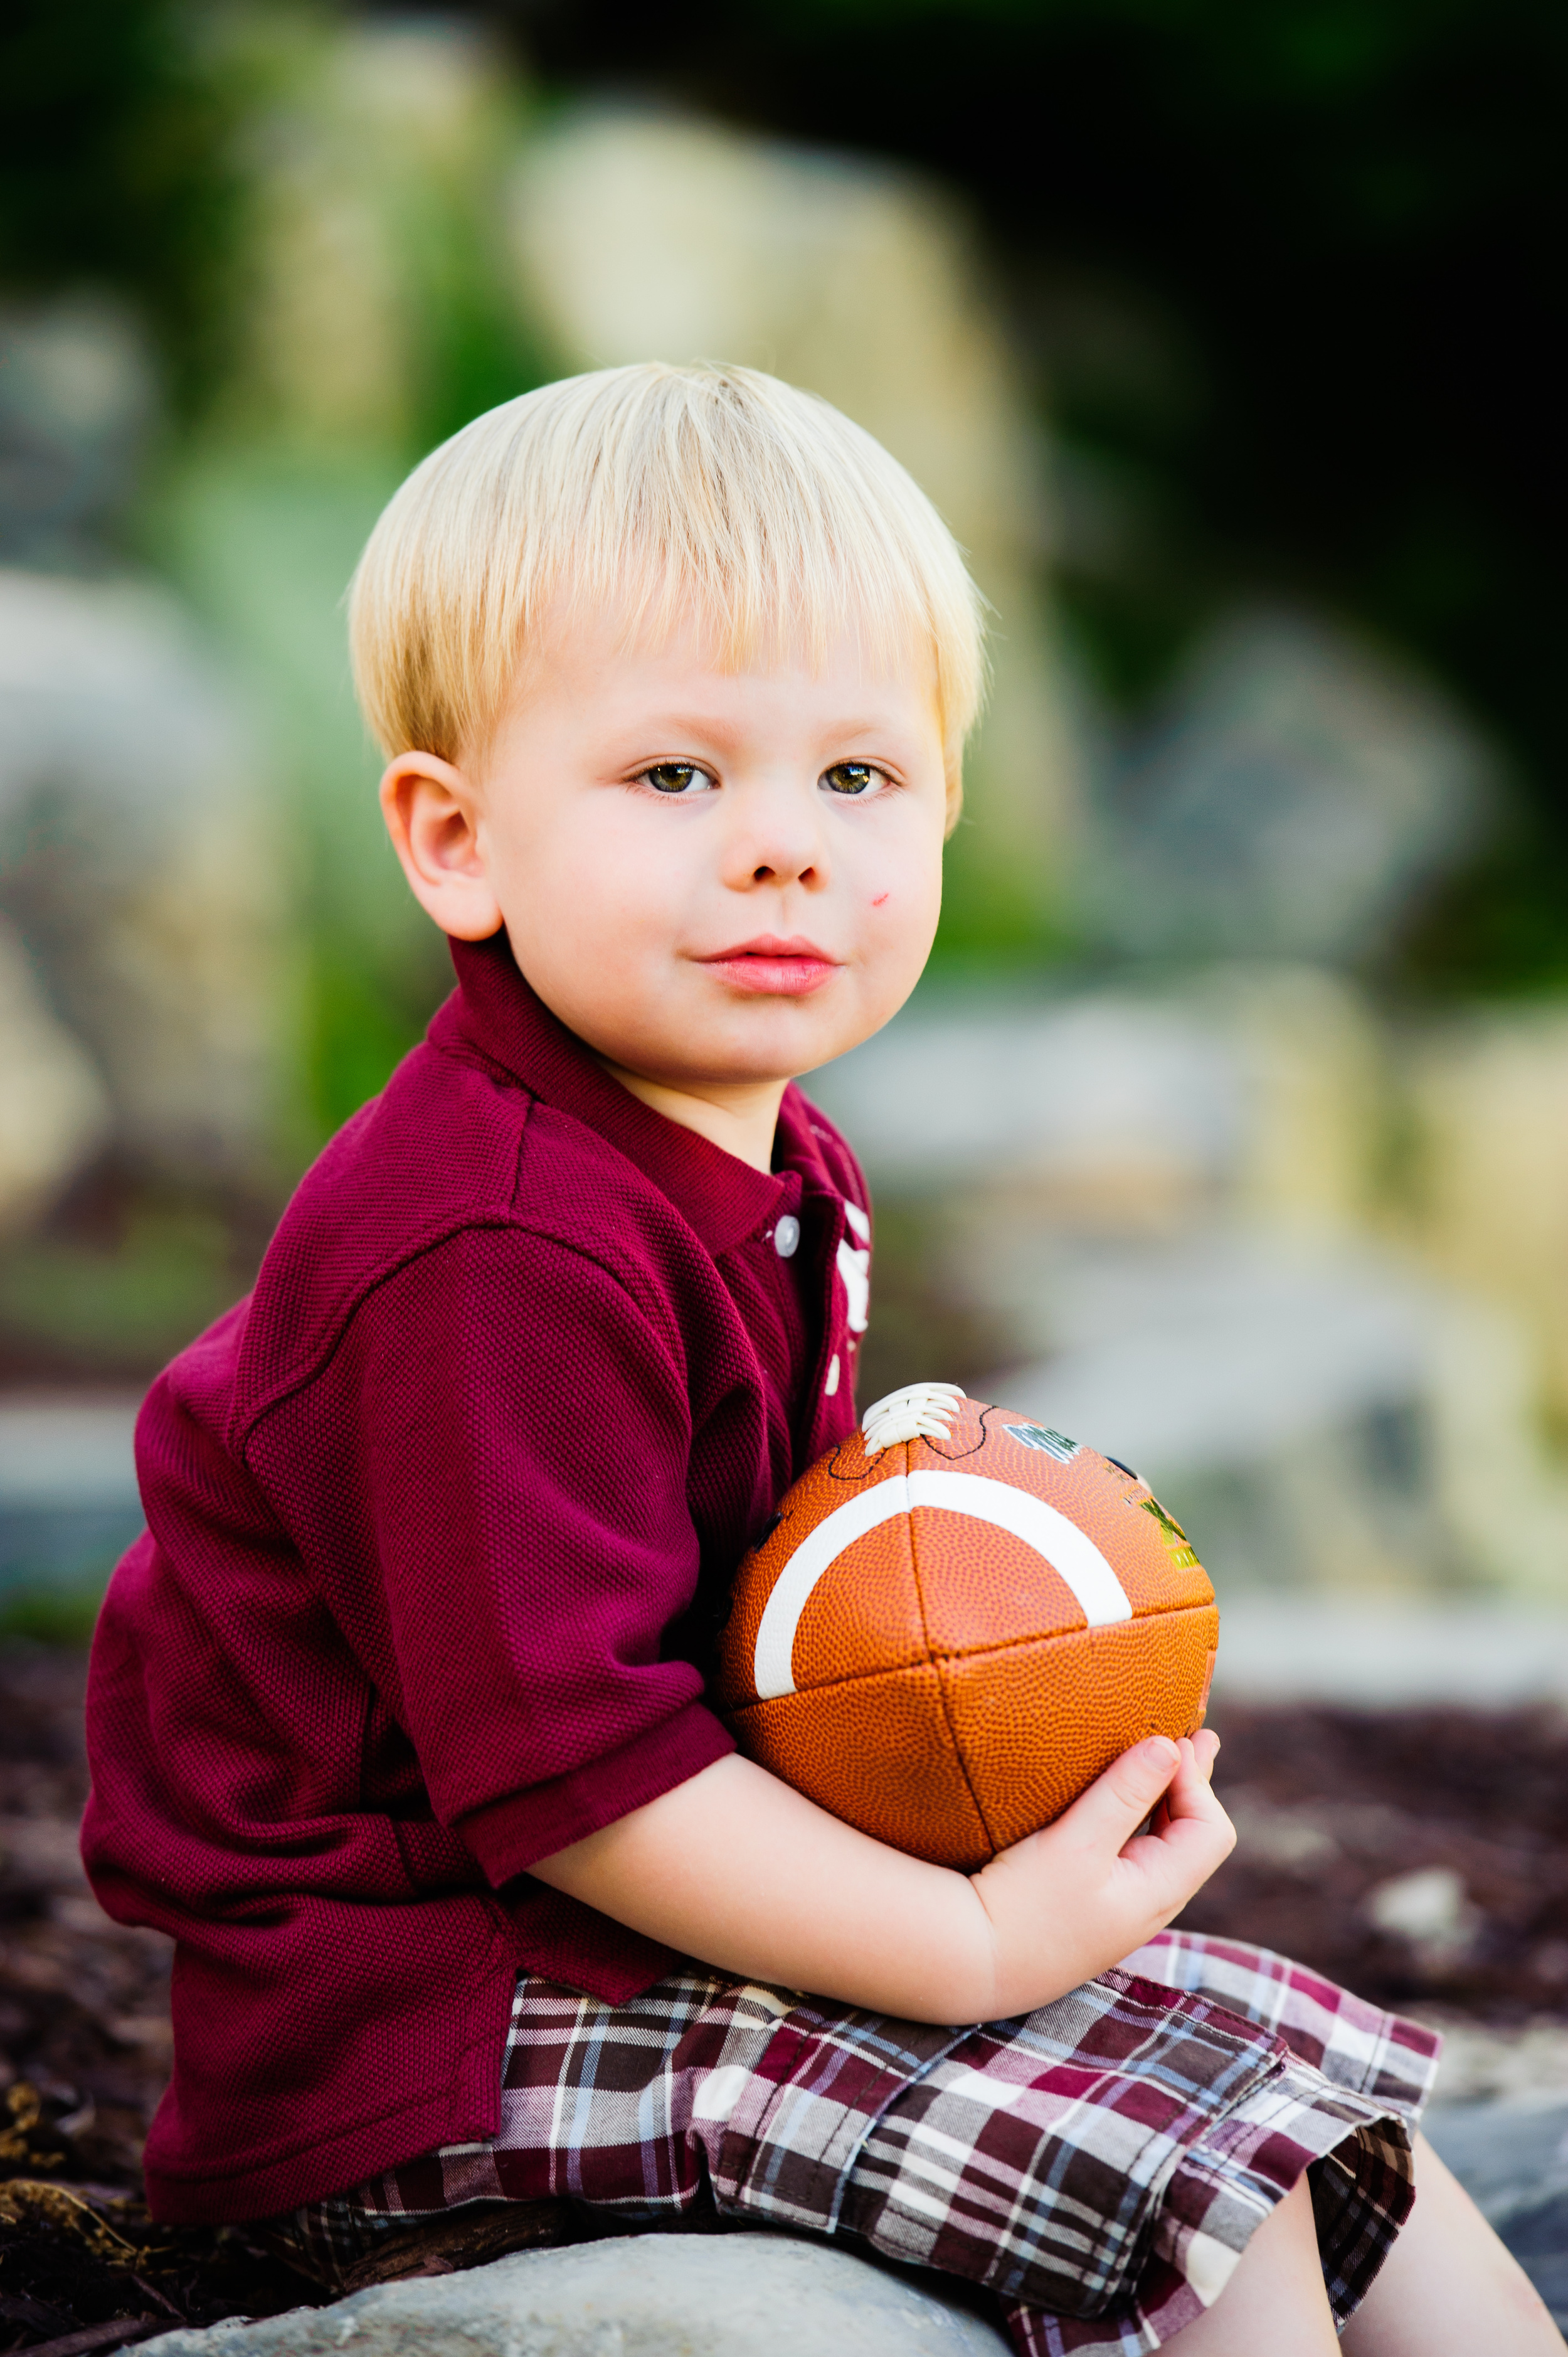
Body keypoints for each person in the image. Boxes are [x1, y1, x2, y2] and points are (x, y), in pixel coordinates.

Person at [80, 364, 1557, 2355]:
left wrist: (897, 1492)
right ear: (455, 842)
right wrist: (958, 1940)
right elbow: (573, 1777)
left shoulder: (752, 1151)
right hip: (427, 2019)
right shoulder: (486, 1241)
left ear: (943, 807)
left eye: (854, 778)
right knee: (1192, 2196)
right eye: (675, 777)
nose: (782, 847)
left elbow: (677, 1543)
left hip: (592, 1943)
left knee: (1322, 2114)